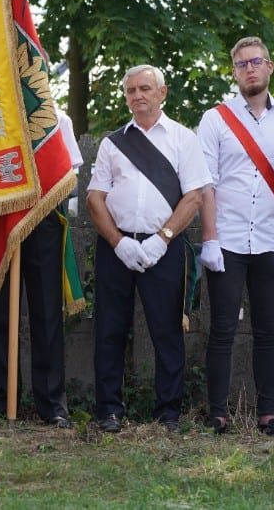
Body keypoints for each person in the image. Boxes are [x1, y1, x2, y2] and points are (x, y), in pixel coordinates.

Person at [86, 65, 211, 433]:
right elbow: (95, 199)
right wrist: (118, 242)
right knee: (109, 329)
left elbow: (194, 197)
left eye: (145, 88)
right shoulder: (112, 143)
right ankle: (109, 410)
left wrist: (162, 238)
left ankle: (168, 413)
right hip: (117, 246)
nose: (137, 95)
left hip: (164, 247)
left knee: (167, 331)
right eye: (131, 90)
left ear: (162, 92)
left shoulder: (183, 139)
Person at [198, 36, 274, 436]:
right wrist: (209, 238)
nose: (250, 69)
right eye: (242, 64)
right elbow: (206, 183)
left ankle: (267, 414)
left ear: (269, 67)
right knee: (222, 329)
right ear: (234, 72)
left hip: (271, 239)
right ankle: (217, 413)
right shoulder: (215, 119)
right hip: (226, 240)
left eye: (256, 61)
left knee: (268, 330)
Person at [0, 110, 82, 427]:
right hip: (2, 220)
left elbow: (71, 174)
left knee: (47, 313)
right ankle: (5, 396)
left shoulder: (57, 118)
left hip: (44, 219)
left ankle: (51, 403)